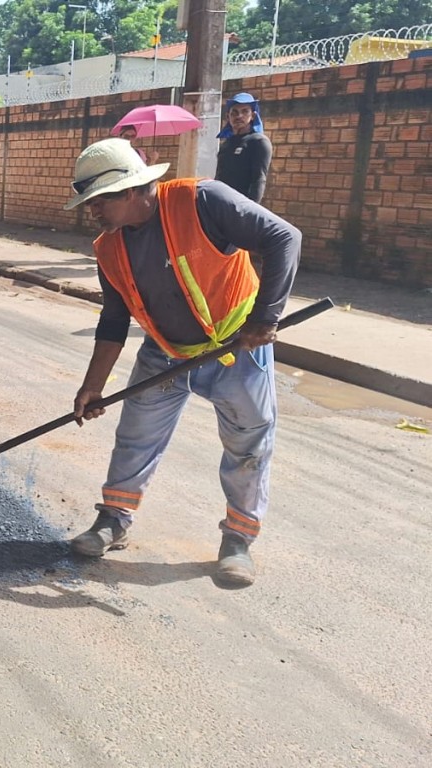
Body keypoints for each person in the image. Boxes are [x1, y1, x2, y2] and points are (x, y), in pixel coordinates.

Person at [62, 137, 300, 587]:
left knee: (247, 446)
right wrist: (92, 387)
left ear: (131, 190)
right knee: (135, 436)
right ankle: (113, 520)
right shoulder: (108, 248)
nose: (92, 211)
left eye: (99, 201)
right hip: (166, 352)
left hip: (237, 348)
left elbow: (284, 237)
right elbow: (114, 322)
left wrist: (266, 318)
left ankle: (237, 540)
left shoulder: (203, 200)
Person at [215, 92, 273, 203]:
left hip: (242, 208)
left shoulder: (259, 142)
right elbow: (219, 178)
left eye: (245, 111)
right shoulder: (226, 145)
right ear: (228, 116)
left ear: (253, 116)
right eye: (234, 112)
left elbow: (258, 180)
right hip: (221, 206)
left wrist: (249, 211)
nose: (239, 116)